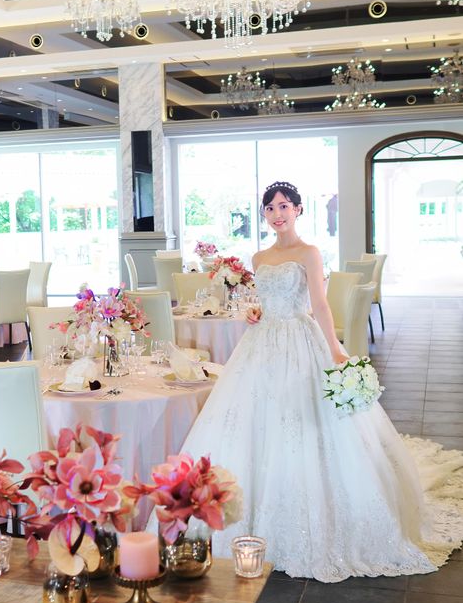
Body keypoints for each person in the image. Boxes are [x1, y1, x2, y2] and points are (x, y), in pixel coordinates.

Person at [178, 181, 463, 582]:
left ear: (298, 210)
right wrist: (257, 311)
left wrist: (334, 348)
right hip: (262, 344)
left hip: (300, 340)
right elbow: (267, 299)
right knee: (257, 422)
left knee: (307, 423)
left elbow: (320, 304)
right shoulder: (259, 256)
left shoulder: (309, 252)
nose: (277, 214)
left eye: (284, 206)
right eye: (270, 208)